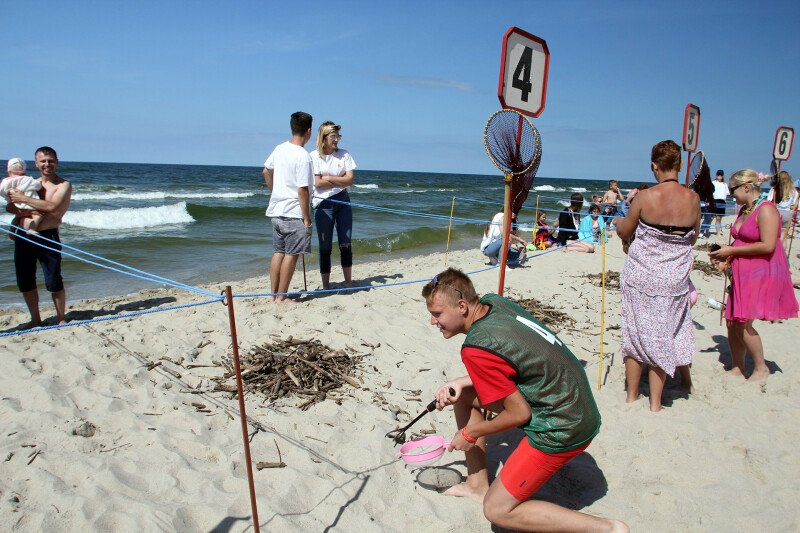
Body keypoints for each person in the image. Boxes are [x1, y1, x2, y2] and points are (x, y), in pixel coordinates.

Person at [421, 268, 628, 533]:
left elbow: (519, 414)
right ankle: (477, 485)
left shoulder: (475, 347)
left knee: (496, 511)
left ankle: (607, 529)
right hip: (577, 404)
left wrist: (469, 432)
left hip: (562, 426)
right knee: (465, 397)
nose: (432, 321)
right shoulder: (495, 303)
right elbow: (518, 356)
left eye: (437, 314)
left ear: (462, 306)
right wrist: (464, 381)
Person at [613, 140, 700, 412]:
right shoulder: (693, 198)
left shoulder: (645, 197)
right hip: (673, 278)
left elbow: (625, 231)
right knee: (663, 334)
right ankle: (655, 404)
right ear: (679, 165)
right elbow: (693, 238)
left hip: (642, 275)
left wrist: (618, 222)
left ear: (655, 166)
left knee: (634, 333)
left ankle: (631, 395)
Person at [709, 169, 798, 382]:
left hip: (759, 272)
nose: (731, 194)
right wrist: (726, 254)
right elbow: (743, 241)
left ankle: (761, 367)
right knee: (732, 320)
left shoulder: (766, 210)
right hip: (740, 272)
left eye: (733, 190)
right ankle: (739, 367)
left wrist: (731, 251)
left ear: (747, 188)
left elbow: (768, 245)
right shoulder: (745, 210)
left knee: (743, 322)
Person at [6, 147, 72, 327]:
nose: (47, 164)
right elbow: (12, 206)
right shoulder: (29, 183)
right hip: (24, 235)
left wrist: (25, 200)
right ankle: (35, 319)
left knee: (53, 280)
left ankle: (60, 318)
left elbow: (52, 207)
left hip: (48, 235)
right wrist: (14, 223)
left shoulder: (63, 185)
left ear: (56, 162)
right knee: (25, 280)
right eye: (43, 161)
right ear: (36, 164)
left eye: (50, 160)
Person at [263, 111, 314, 303]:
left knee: (278, 252)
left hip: (277, 210)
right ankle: (281, 296)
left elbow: (266, 171)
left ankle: (274, 294)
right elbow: (302, 189)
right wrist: (307, 218)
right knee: (291, 254)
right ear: (308, 131)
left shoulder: (280, 148)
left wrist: (275, 191)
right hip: (293, 212)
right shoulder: (303, 155)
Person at [310, 121, 356, 290]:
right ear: (323, 138)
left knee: (345, 242)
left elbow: (349, 179)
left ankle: (348, 281)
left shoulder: (344, 154)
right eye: (333, 136)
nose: (336, 140)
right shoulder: (314, 156)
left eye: (338, 136)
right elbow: (317, 183)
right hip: (323, 204)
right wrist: (338, 180)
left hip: (343, 201)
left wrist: (328, 178)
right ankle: (326, 285)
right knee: (325, 246)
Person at [2, 157, 43, 234]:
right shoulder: (26, 179)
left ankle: (12, 230)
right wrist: (39, 183)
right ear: (23, 171)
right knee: (39, 215)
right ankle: (31, 229)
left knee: (17, 217)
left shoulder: (5, 181)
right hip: (27, 205)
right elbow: (37, 186)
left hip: (15, 205)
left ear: (9, 170)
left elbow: (2, 191)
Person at [766, 170, 799, 241]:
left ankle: (775, 246)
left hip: (776, 212)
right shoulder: (793, 190)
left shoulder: (774, 189)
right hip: (788, 213)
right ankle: (782, 248)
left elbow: (769, 201)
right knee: (783, 234)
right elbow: (795, 205)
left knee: (774, 232)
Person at [691, 160, 715, 238]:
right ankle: (700, 231)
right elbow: (712, 190)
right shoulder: (703, 183)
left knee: (699, 218)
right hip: (702, 204)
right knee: (706, 218)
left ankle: (697, 231)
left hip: (700, 203)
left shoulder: (698, 183)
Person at [711, 169, 729, 236]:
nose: (720, 177)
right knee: (714, 217)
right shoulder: (713, 182)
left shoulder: (724, 184)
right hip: (715, 201)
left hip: (722, 202)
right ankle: (715, 232)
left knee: (720, 218)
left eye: (721, 175)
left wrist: (725, 200)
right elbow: (710, 192)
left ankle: (718, 230)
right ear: (716, 175)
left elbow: (726, 193)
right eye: (718, 175)